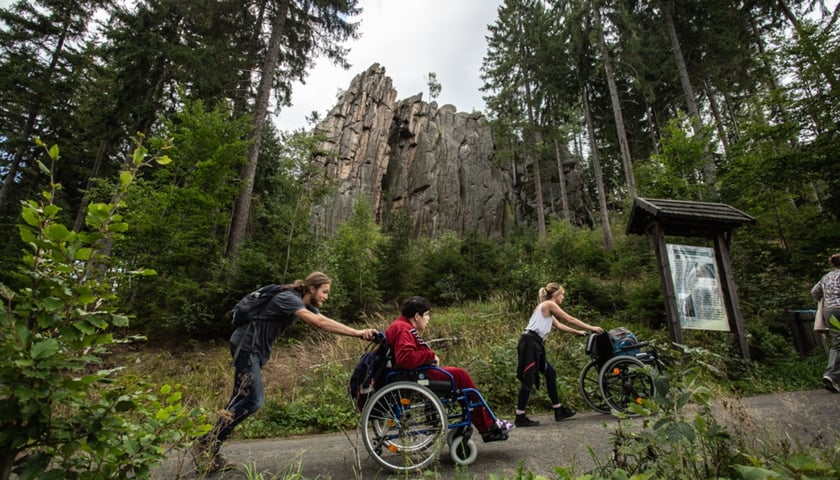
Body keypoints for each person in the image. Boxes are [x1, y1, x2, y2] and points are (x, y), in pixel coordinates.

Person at [192, 272, 378, 473]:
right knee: (253, 400)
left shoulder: (302, 302)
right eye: (324, 292)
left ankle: (210, 449)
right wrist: (357, 333)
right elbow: (318, 323)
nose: (327, 296)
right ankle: (204, 443)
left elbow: (322, 318)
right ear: (311, 288)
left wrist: (358, 332)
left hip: (250, 347)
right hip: (246, 346)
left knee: (237, 399)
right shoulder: (288, 299)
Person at [385, 296, 515, 442]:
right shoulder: (404, 329)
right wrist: (430, 355)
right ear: (416, 316)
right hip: (417, 376)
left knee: (458, 376)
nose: (429, 318)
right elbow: (405, 359)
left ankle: (486, 422)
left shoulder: (399, 325)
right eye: (427, 314)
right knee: (460, 375)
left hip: (414, 374)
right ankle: (488, 425)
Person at [515, 282, 604, 427]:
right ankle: (520, 416)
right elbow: (570, 319)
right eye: (562, 294)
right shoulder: (549, 304)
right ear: (556, 295)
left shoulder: (546, 307)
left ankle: (558, 410)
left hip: (535, 344)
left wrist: (577, 332)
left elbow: (560, 325)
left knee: (550, 373)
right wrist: (591, 327)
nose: (563, 297)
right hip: (530, 344)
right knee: (528, 379)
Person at [812, 253, 840, 393]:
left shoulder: (826, 277)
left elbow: (815, 292)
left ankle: (832, 375)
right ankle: (832, 374)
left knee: (838, 342)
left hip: (830, 312)